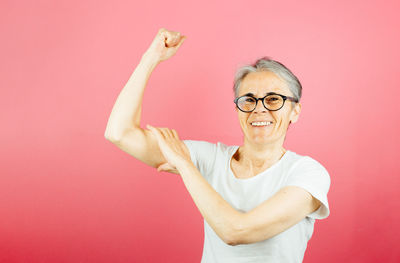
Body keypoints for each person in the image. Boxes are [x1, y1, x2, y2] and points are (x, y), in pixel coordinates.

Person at [104, 28, 331, 263]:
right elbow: (119, 133)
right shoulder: (212, 159)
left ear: (295, 111)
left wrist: (185, 165)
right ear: (237, 109)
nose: (259, 109)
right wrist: (150, 59)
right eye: (249, 100)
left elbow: (235, 231)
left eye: (274, 99)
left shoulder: (308, 173)